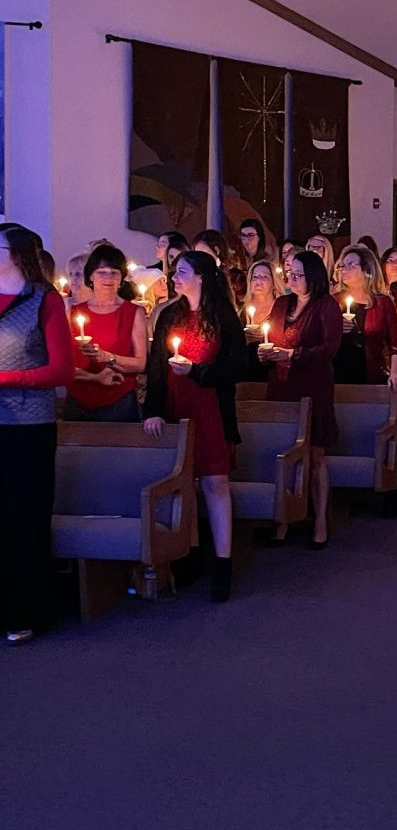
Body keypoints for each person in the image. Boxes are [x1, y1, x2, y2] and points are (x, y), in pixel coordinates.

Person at [144, 251, 246, 602]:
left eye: (182, 272)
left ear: (201, 277)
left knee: (214, 482)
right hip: (176, 406)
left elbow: (237, 366)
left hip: (210, 407)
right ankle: (186, 556)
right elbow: (156, 366)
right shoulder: (169, 314)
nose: (174, 277)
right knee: (182, 483)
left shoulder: (222, 316)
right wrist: (152, 410)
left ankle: (223, 564)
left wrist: (199, 372)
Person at [0, 226, 75, 644]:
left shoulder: (44, 300)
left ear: (18, 255)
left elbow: (62, 371)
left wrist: (6, 378)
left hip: (27, 427)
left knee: (24, 519)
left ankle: (26, 612)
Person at [260, 251, 344, 548]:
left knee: (316, 454)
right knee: (284, 452)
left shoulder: (326, 306)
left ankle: (320, 519)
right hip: (282, 385)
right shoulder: (283, 303)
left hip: (313, 386)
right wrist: (266, 353)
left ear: (314, 277)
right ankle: (283, 519)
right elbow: (270, 336)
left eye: (299, 274)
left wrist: (292, 354)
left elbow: (329, 349)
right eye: (290, 273)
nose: (292, 278)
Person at [66, 244, 148, 421]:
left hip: (119, 398)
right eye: (102, 272)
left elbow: (141, 364)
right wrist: (94, 377)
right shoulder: (72, 313)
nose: (108, 277)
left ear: (122, 278)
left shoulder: (133, 313)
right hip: (78, 397)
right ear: (91, 276)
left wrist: (107, 357)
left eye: (114, 272)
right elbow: (63, 364)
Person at [333, 244, 397, 386]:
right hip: (339, 370)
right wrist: (336, 329)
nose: (344, 270)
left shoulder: (383, 303)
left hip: (371, 370)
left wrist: (395, 373)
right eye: (342, 266)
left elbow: (395, 343)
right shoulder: (334, 301)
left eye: (351, 265)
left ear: (366, 270)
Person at [240, 260, 285, 382]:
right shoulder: (241, 311)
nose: (258, 281)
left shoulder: (282, 309)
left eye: (264, 276)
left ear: (274, 282)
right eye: (255, 277)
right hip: (247, 371)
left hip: (274, 371)